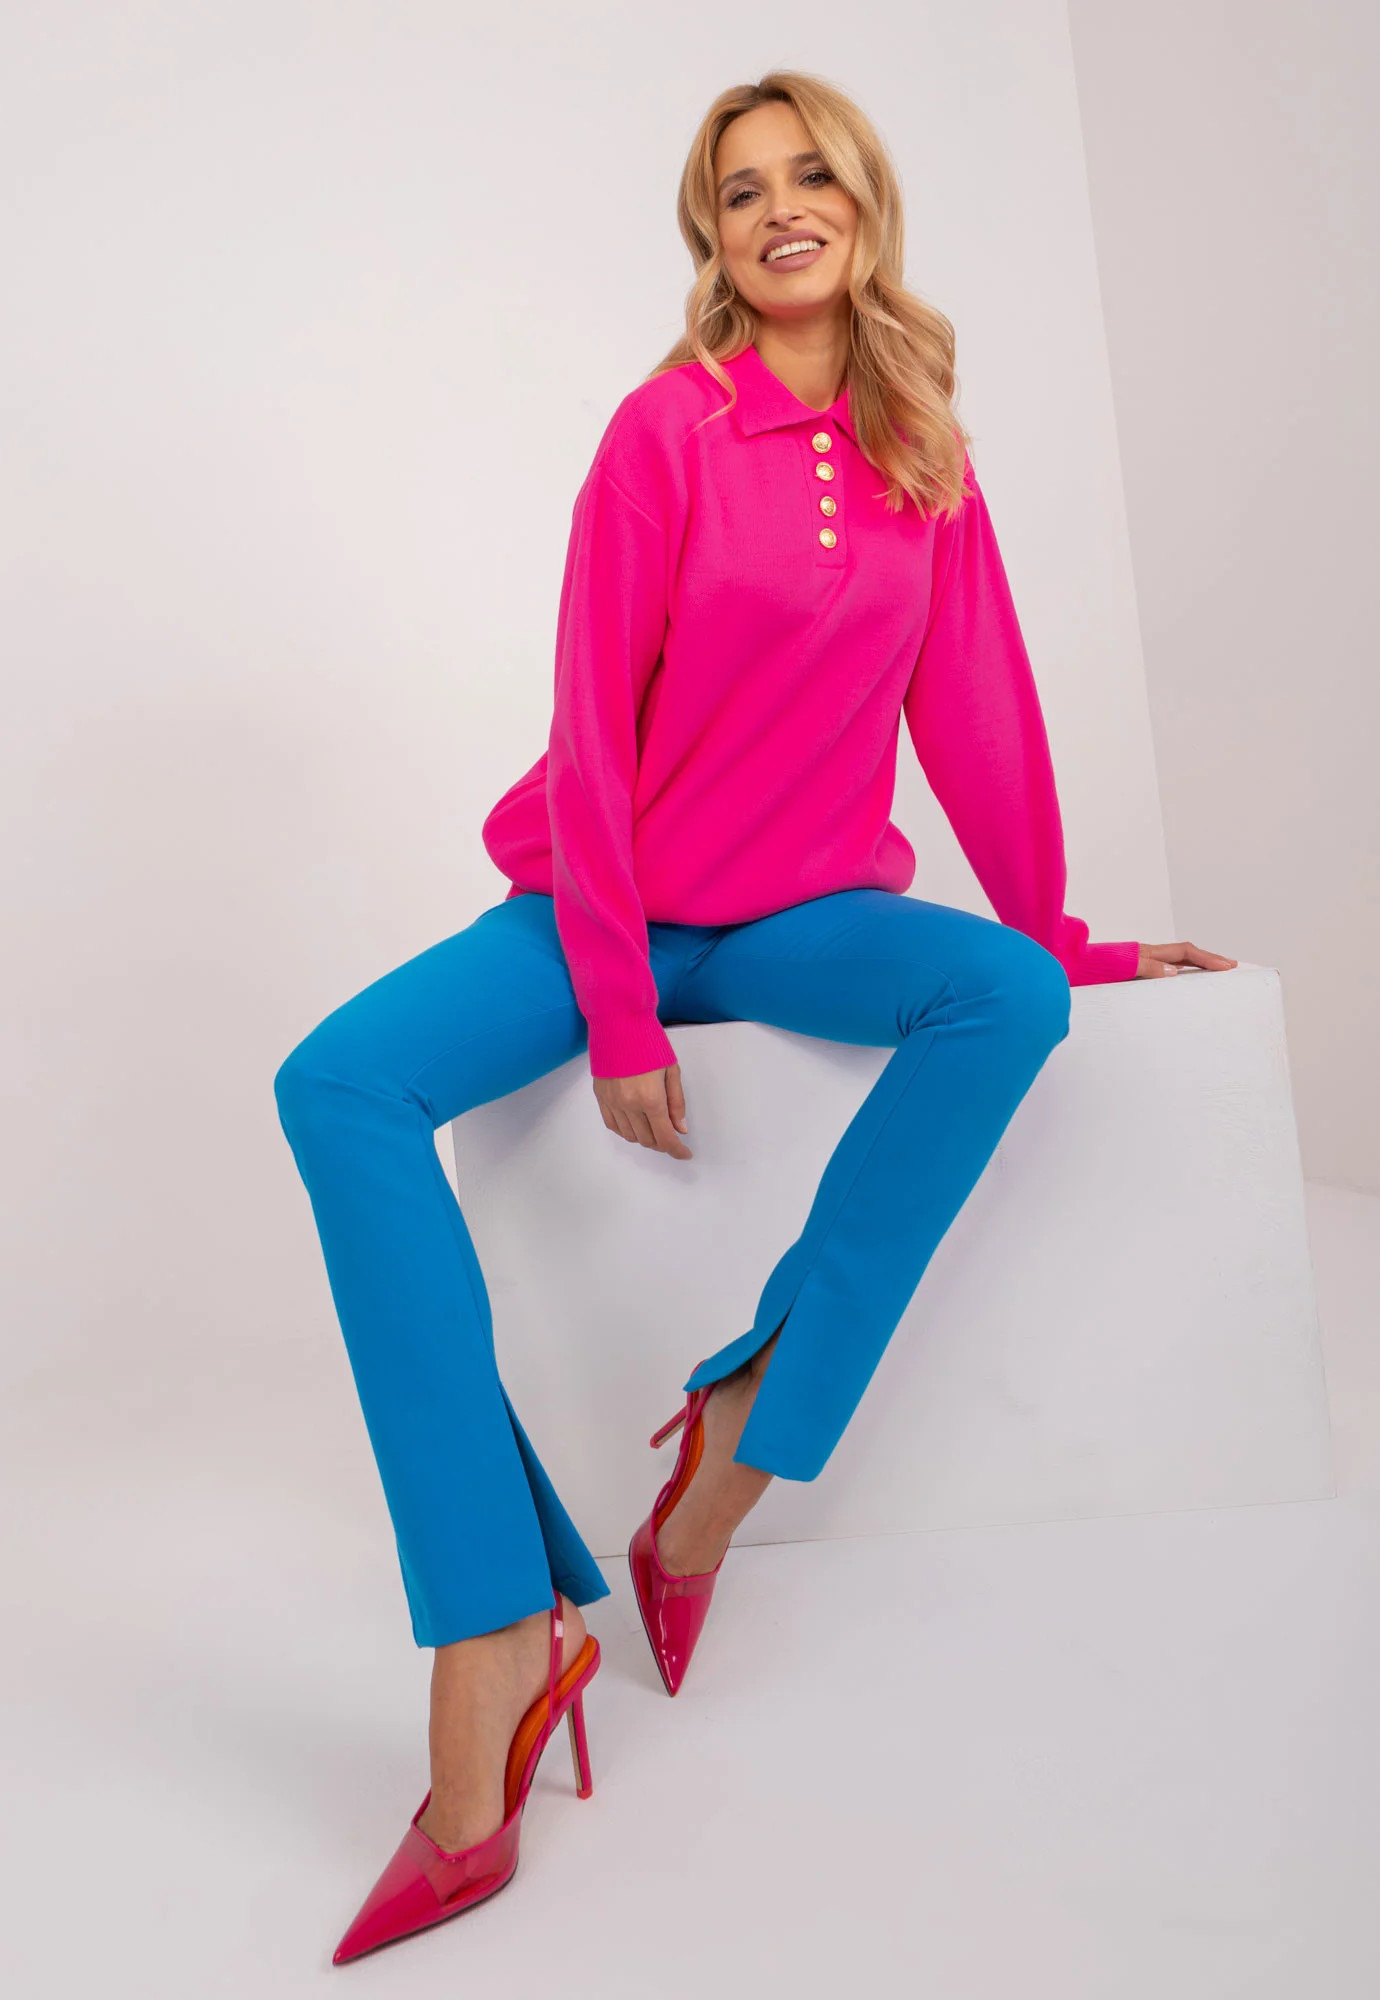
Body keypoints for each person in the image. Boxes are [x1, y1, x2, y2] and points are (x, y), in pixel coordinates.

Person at [273, 68, 1235, 1962]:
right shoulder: (667, 432)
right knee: (338, 1083)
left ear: (864, 206)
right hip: (605, 904)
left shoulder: (921, 452)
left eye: (812, 177)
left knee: (1002, 993)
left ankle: (743, 1433)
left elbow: (982, 712)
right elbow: (588, 732)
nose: (781, 208)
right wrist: (618, 1010)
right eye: (740, 190)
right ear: (709, 237)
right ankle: (496, 1622)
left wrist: (1060, 935)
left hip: (799, 914)